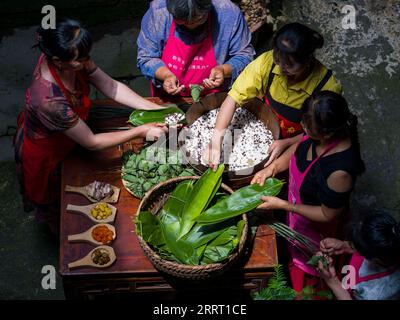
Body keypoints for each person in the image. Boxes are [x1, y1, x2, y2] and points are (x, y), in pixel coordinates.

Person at [14, 19, 168, 234]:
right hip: (48, 151)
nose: (87, 61)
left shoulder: (73, 55)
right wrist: (141, 130)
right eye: (81, 59)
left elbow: (109, 85)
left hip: (72, 133)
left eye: (87, 55)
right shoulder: (49, 100)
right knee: (57, 204)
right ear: (58, 61)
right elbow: (92, 142)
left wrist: (151, 108)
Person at [251, 91, 365, 292]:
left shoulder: (340, 171)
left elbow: (328, 214)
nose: (303, 128)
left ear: (326, 134)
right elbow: (299, 147)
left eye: (306, 126)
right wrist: (272, 168)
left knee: (310, 275)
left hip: (316, 229)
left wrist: (285, 205)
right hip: (296, 211)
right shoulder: (318, 133)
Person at [205, 22, 342, 169]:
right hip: (267, 128)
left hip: (301, 142)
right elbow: (233, 98)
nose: (281, 68)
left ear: (307, 60)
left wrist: (288, 143)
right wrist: (215, 141)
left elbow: (323, 136)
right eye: (278, 60)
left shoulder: (327, 87)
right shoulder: (267, 63)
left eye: (289, 65)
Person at [137, 0, 255, 97]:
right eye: (183, 22)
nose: (191, 26)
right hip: (169, 100)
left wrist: (224, 70)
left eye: (199, 20)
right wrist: (166, 75)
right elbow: (146, 58)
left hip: (215, 99)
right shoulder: (158, 12)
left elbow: (244, 56)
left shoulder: (228, 14)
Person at [316, 212, 400, 300]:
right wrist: (346, 246)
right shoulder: (394, 238)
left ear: (375, 259)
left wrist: (332, 281)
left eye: (358, 246)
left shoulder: (375, 294)